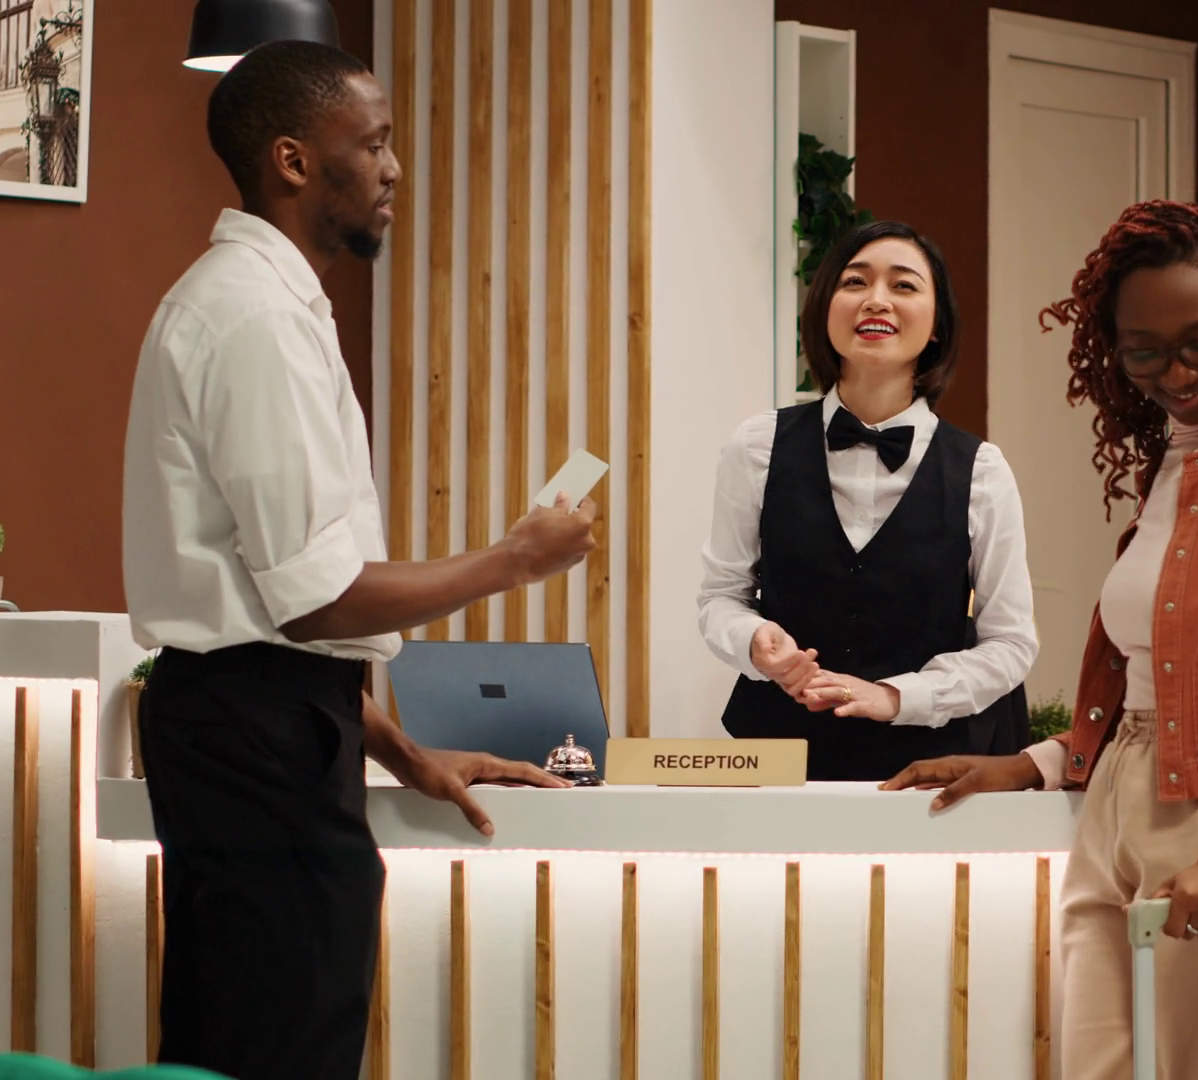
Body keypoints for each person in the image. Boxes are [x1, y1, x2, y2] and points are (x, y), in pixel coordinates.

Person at [121, 42, 595, 1080]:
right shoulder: (254, 317)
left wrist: (396, 747)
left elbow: (272, 610)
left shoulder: (267, 303)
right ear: (293, 160)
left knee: (254, 1034)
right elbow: (314, 602)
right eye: (373, 143)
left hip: (266, 721)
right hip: (255, 735)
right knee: (276, 1048)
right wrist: (515, 559)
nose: (393, 168)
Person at [884, 202, 1198, 1080]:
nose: (1179, 372)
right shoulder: (1175, 464)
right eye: (1145, 351)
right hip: (1117, 813)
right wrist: (1039, 762)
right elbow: (1164, 679)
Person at [698, 220, 1037, 781]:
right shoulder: (757, 446)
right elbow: (720, 597)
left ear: (937, 325)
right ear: (825, 308)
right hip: (779, 765)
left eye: (903, 285)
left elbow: (1010, 643)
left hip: (927, 773)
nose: (876, 299)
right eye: (855, 282)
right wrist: (753, 641)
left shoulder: (981, 471)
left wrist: (896, 696)